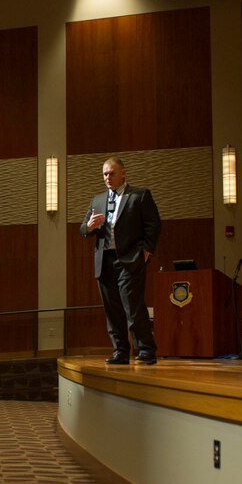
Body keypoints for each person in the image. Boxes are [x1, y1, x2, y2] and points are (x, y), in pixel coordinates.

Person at [79, 156, 162, 365]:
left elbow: (153, 225)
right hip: (104, 261)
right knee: (112, 310)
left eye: (112, 173)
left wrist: (147, 251)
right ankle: (120, 352)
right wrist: (89, 226)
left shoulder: (139, 196)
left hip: (131, 259)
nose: (108, 177)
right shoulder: (97, 200)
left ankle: (145, 350)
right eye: (105, 174)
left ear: (123, 173)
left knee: (133, 307)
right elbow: (83, 230)